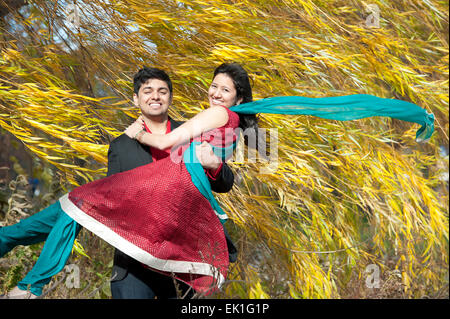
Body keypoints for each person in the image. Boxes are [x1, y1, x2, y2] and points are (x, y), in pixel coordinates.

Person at [0, 62, 434, 299]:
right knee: (67, 209)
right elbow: (207, 157)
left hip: (170, 190)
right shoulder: (236, 126)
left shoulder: (211, 117)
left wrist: (139, 131)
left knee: (80, 200)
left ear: (238, 99)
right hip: (173, 198)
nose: (213, 93)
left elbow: (173, 140)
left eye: (223, 89)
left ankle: (31, 286)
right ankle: (12, 249)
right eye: (212, 86)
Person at [107, 67, 237, 299]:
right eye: (147, 91)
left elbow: (225, 182)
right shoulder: (121, 146)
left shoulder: (192, 132)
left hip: (188, 261)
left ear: (170, 97)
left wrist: (214, 164)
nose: (155, 96)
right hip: (136, 264)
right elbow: (114, 203)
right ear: (135, 98)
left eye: (162, 91)